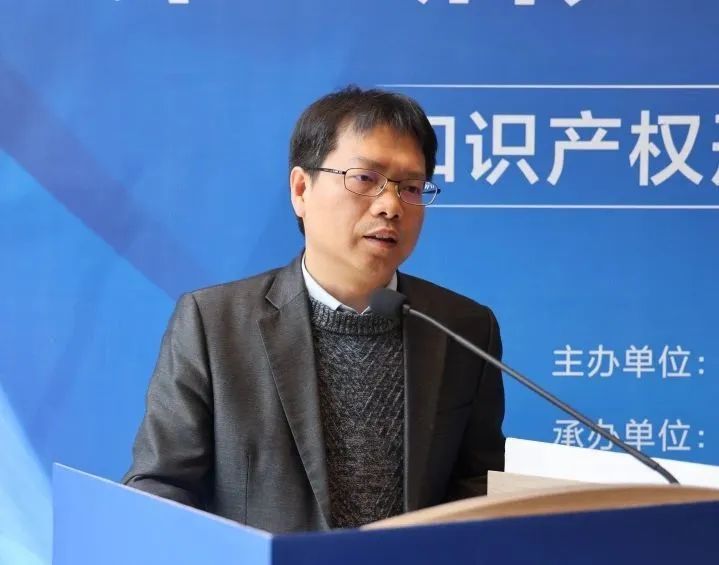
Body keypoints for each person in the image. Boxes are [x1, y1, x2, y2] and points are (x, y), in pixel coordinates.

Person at [123, 86, 505, 533]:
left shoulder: (462, 328)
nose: (390, 206)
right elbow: (162, 485)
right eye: (365, 179)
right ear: (301, 189)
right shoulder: (213, 324)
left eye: (411, 188)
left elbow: (479, 483)